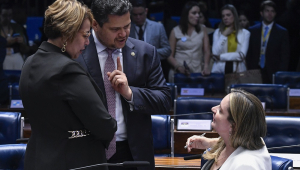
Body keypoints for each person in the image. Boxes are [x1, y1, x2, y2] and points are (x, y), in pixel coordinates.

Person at [19, 0, 117, 169]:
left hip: (37, 159)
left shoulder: (29, 62)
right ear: (67, 33)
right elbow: (104, 126)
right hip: (74, 161)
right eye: (85, 35)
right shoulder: (67, 69)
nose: (87, 43)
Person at [76, 0, 171, 170]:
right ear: (95, 25)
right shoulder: (77, 54)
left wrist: (130, 93)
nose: (123, 34)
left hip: (134, 153)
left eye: (127, 26)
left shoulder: (146, 53)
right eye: (115, 29)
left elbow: (164, 101)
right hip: (89, 152)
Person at [185, 89, 271, 169]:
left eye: (220, 110)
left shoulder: (246, 166)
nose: (213, 109)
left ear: (234, 126)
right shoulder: (247, 139)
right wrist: (210, 142)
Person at [246, 0, 290, 84]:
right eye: (267, 11)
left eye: (272, 11)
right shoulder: (252, 30)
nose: (270, 14)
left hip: (273, 71)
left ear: (275, 14)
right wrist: (249, 69)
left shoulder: (282, 32)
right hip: (255, 70)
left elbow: (285, 56)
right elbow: (249, 52)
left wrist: (280, 73)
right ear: (261, 13)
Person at [167, 1, 211, 82]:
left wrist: (206, 66)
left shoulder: (202, 29)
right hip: (178, 73)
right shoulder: (175, 31)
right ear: (186, 14)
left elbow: (207, 51)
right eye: (194, 13)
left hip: (197, 72)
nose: (197, 16)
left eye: (198, 13)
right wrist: (179, 67)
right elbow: (169, 55)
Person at [129, 0, 171, 81]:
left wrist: (149, 53)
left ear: (146, 11)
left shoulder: (158, 27)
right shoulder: (126, 29)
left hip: (153, 72)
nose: (138, 17)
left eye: (140, 14)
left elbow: (167, 50)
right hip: (132, 72)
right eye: (135, 15)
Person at [211, 4, 250, 75]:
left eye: (228, 15)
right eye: (223, 16)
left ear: (234, 16)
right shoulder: (218, 32)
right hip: (219, 71)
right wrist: (224, 35)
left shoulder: (245, 33)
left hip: (238, 71)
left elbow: (241, 55)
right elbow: (215, 53)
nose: (225, 18)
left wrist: (221, 57)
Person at [0, 3, 28, 70]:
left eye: (10, 15)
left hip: (16, 56)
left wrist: (21, 42)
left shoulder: (17, 28)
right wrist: (6, 42)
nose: (7, 18)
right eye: (4, 15)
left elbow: (25, 49)